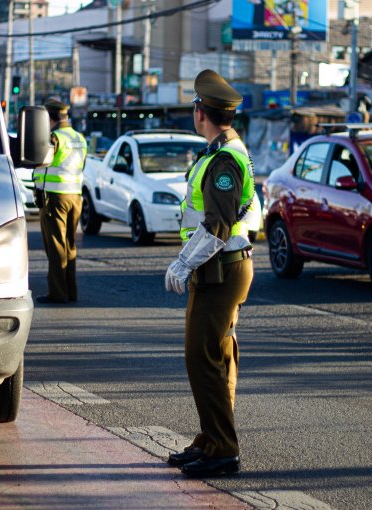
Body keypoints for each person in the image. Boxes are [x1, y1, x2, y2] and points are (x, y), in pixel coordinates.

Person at [164, 69, 255, 478]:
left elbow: (218, 224)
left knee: (203, 360)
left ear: (201, 112)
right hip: (219, 268)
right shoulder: (222, 151)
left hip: (220, 268)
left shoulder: (224, 159)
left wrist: (184, 261)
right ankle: (211, 439)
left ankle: (224, 448)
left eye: (195, 107)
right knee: (212, 357)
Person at [33, 97, 87, 304]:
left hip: (55, 197)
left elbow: (40, 162)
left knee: (55, 246)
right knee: (70, 245)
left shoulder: (54, 138)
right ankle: (70, 291)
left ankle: (57, 293)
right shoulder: (79, 138)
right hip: (75, 196)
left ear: (49, 117)